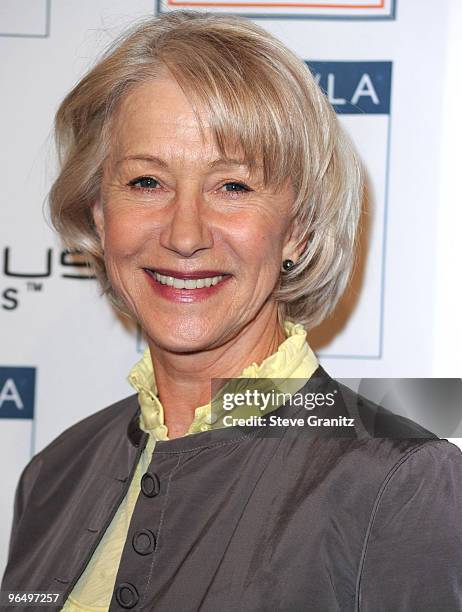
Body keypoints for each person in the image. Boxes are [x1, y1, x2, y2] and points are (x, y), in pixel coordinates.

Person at [1, 10, 462, 612]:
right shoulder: (54, 474)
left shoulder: (403, 483)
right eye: (146, 182)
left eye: (233, 187)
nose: (185, 234)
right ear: (98, 214)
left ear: (297, 230)